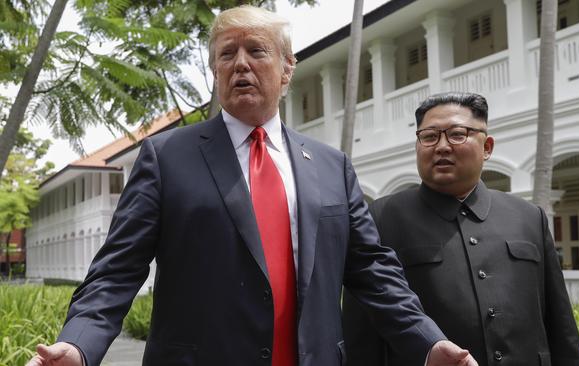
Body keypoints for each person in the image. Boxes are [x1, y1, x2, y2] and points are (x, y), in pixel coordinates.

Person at [27, 7, 478, 366]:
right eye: (227, 54)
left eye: (257, 51)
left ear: (286, 68)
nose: (240, 63)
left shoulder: (330, 165)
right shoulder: (166, 159)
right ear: (215, 71)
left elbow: (373, 270)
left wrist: (426, 342)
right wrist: (79, 345)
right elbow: (117, 269)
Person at [342, 92, 579, 366]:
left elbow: (561, 325)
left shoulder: (528, 217)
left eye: (458, 134)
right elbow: (360, 334)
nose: (442, 146)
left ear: (487, 147)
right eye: (430, 136)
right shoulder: (382, 217)